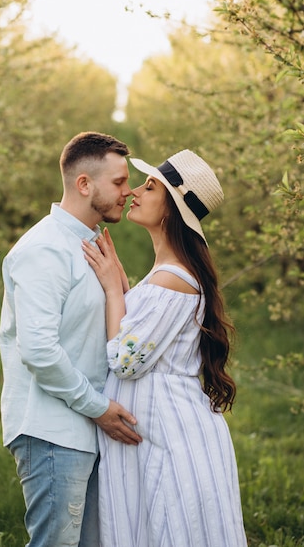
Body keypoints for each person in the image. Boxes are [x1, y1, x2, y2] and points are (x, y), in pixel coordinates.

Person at [83, 149, 248, 547]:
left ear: (172, 208)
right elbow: (144, 332)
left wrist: (111, 290)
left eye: (150, 186)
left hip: (172, 437)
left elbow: (125, 360)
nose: (135, 192)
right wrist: (124, 287)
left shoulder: (174, 280)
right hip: (160, 432)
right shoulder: (167, 275)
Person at [0, 131, 142, 547]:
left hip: (84, 430)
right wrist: (99, 408)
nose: (127, 192)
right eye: (118, 182)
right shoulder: (43, 249)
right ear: (84, 184)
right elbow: (39, 350)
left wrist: (121, 286)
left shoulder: (90, 245)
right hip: (51, 431)